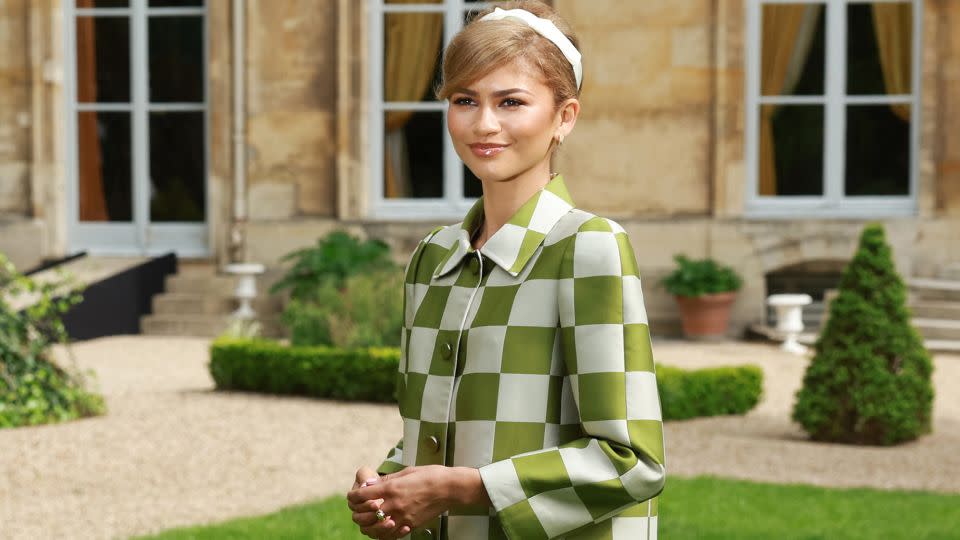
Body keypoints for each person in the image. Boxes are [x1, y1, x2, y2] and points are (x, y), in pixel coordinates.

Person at [347, 2, 665, 538]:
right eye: (465, 100)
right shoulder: (433, 258)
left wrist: (458, 489)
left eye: (511, 101)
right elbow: (431, 434)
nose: (484, 123)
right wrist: (388, 493)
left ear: (564, 117)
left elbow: (629, 461)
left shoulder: (588, 248)